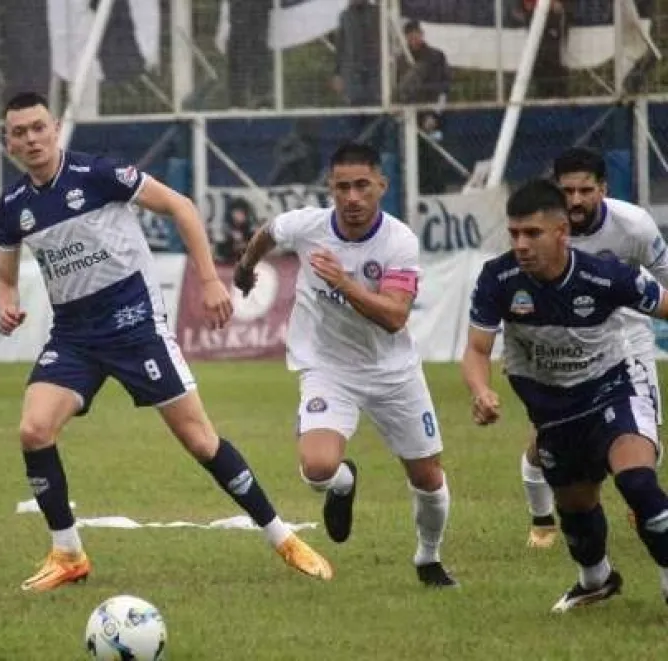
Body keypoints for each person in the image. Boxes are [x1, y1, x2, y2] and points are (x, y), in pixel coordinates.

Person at [0, 91, 332, 593]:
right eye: (19, 132)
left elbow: (180, 206)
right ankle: (68, 554)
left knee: (199, 439)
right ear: (8, 142)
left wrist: (211, 279)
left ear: (56, 127)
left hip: (134, 325)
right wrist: (4, 301)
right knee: (33, 430)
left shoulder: (99, 175)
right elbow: (4, 277)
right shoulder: (13, 208)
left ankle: (282, 537)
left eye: (38, 127)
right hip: (74, 335)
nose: (31, 138)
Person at [233, 142, 457, 588]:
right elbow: (270, 232)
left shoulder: (399, 242)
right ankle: (342, 482)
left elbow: (394, 317)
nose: (352, 198)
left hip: (393, 372)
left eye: (362, 186)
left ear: (381, 186)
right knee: (317, 468)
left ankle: (428, 557)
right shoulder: (308, 226)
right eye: (342, 188)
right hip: (327, 367)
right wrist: (244, 267)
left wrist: (344, 282)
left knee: (428, 478)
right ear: (330, 189)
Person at [463, 178, 668, 612]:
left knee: (637, 481)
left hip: (613, 390)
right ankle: (595, 581)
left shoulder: (605, 275)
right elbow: (477, 349)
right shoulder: (497, 279)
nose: (521, 244)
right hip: (552, 411)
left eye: (532, 233)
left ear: (561, 233)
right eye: (515, 233)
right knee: (576, 509)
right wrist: (481, 390)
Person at [519, 148, 668, 550]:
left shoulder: (633, 225)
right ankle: (541, 520)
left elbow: (665, 277)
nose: (576, 200)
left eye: (586, 190)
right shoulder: (540, 225)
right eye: (567, 190)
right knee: (551, 436)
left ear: (603, 188)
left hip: (627, 335)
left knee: (642, 432)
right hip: (562, 339)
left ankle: (643, 507)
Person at [395, 20, 450, 195]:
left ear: (421, 34)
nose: (414, 39)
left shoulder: (436, 57)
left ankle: (437, 192)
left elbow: (444, 88)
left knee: (434, 156)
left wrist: (434, 114)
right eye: (410, 36)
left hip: (431, 115)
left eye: (416, 34)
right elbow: (398, 91)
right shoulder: (402, 60)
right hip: (411, 117)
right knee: (414, 158)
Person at [331, 0, 381, 106]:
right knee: (355, 109)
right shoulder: (344, 16)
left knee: (375, 107)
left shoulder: (376, 12)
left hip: (374, 73)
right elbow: (340, 47)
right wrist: (337, 74)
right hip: (352, 75)